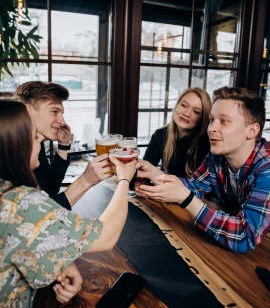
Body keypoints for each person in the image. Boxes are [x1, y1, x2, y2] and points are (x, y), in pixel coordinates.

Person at [0, 98, 136, 308]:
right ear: (13, 146)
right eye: (33, 137)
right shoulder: (20, 203)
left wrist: (61, 261)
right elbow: (105, 236)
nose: (40, 140)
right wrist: (124, 179)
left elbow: (21, 243)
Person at [135, 86, 270, 253]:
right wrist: (154, 174)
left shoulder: (267, 170)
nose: (212, 128)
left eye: (224, 121)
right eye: (212, 120)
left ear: (252, 130)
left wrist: (187, 200)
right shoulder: (217, 157)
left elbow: (244, 236)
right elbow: (192, 186)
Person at [14, 81, 114, 210]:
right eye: (54, 111)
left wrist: (63, 145)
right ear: (28, 110)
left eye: (62, 114)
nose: (62, 121)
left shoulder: (35, 144)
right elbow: (35, 215)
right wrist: (85, 181)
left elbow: (50, 188)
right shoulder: (11, 151)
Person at [143, 87, 212, 177]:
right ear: (177, 105)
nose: (186, 113)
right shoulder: (160, 135)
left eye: (196, 111)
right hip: (163, 188)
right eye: (183, 105)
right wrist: (141, 181)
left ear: (202, 118)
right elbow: (145, 169)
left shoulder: (207, 142)